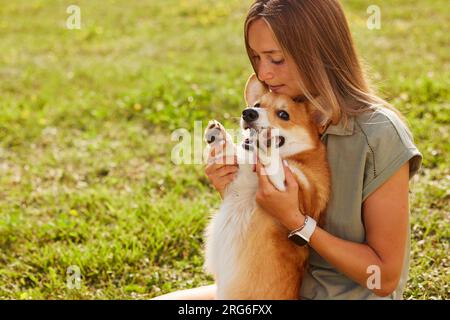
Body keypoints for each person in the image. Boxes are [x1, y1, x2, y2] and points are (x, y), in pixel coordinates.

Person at [152, 0, 422, 300]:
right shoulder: (277, 113)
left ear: (319, 53)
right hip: (271, 285)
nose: (264, 74)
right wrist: (232, 187)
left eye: (276, 59)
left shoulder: (379, 134)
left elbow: (383, 279)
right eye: (257, 58)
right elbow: (265, 230)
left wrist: (298, 223)